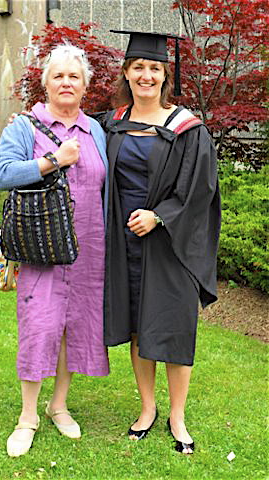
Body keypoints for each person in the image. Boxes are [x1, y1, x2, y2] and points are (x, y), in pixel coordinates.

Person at [98, 30, 221, 454]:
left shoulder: (186, 128)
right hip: (125, 243)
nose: (146, 75)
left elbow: (201, 189)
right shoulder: (111, 123)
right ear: (127, 74)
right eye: (139, 68)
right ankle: (147, 408)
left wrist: (160, 216)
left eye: (154, 68)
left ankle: (178, 416)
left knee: (173, 326)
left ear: (164, 75)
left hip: (169, 243)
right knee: (138, 327)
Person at [0, 44, 109, 457]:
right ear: (45, 83)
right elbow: (1, 175)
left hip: (89, 247)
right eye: (58, 75)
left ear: (85, 86)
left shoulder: (96, 130)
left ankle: (59, 406)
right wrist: (51, 161)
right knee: (39, 325)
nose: (66, 82)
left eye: (74, 76)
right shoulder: (25, 127)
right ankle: (28, 416)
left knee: (74, 326)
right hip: (41, 247)